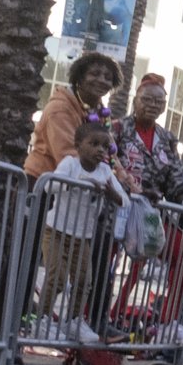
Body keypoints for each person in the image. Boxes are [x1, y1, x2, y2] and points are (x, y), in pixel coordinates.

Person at [33, 117, 127, 346]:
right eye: (94, 144)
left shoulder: (105, 171)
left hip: (82, 236)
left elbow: (124, 200)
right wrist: (78, 183)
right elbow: (49, 185)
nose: (100, 150)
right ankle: (42, 318)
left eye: (105, 146)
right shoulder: (69, 164)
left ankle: (73, 320)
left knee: (84, 280)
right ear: (78, 145)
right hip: (56, 230)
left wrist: (110, 193)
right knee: (56, 275)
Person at [24, 51, 120, 180]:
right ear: (79, 78)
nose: (102, 80)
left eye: (108, 78)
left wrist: (127, 181)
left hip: (77, 189)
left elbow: (111, 155)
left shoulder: (100, 111)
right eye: (95, 74)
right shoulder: (59, 108)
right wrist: (106, 180)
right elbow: (67, 154)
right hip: (44, 185)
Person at [114, 74, 183, 206]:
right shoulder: (117, 128)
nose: (153, 105)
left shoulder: (167, 139)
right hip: (118, 204)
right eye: (147, 99)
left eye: (159, 102)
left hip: (149, 210)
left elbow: (176, 176)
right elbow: (107, 163)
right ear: (135, 101)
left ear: (164, 107)